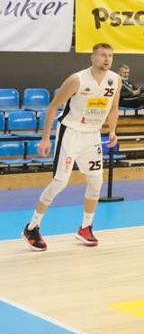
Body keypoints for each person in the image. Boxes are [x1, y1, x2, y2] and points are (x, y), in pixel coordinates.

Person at [22, 42, 121, 251]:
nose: (107, 59)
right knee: (60, 181)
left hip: (92, 135)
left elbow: (114, 107)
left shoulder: (115, 80)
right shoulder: (77, 79)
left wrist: (112, 130)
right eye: (102, 55)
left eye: (110, 56)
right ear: (92, 57)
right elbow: (53, 106)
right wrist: (46, 138)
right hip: (70, 133)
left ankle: (86, 228)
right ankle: (32, 227)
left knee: (96, 181)